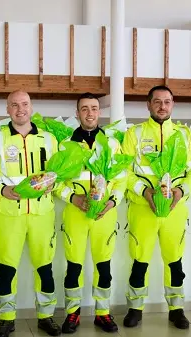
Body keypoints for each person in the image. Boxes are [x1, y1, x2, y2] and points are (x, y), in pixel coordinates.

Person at [0, 90, 61, 337]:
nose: (20, 109)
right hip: (9, 214)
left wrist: (52, 183)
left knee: (45, 268)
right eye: (14, 105)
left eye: (24, 104)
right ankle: (6, 319)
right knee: (7, 269)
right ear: (7, 110)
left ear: (31, 107)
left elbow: (59, 174)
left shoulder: (49, 139)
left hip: (42, 214)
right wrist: (2, 189)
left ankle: (46, 317)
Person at [120, 85, 191, 329]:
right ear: (148, 105)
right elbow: (123, 171)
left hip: (175, 210)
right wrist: (144, 191)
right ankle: (135, 309)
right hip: (142, 208)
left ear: (173, 104)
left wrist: (180, 191)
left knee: (174, 260)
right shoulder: (133, 134)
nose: (162, 106)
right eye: (157, 101)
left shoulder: (184, 134)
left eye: (167, 101)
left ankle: (176, 309)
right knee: (139, 260)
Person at [54, 93, 126, 334]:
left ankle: (102, 313)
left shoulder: (112, 144)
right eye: (84, 109)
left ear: (99, 112)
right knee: (73, 266)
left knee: (103, 265)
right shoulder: (65, 145)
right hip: (76, 213)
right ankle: (72, 314)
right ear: (77, 114)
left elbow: (121, 180)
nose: (90, 113)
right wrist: (73, 198)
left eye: (94, 108)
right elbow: (55, 181)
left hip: (104, 215)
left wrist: (112, 202)